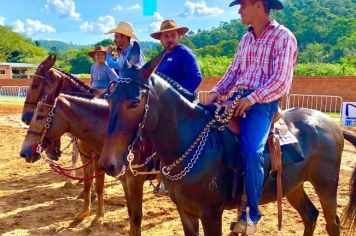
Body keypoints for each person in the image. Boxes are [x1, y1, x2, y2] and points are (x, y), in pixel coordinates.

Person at [204, 0, 298, 234]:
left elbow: (281, 80)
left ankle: (251, 214)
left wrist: (252, 99)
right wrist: (217, 91)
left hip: (263, 103)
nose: (239, 11)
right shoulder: (246, 39)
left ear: (258, 4)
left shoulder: (283, 37)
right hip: (236, 98)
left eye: (243, 5)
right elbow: (234, 71)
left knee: (252, 151)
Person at [150, 19, 202, 93]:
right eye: (166, 36)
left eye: (173, 35)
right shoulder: (161, 56)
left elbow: (195, 78)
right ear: (161, 39)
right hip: (164, 102)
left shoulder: (185, 53)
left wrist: (176, 93)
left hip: (182, 102)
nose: (170, 39)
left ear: (179, 37)